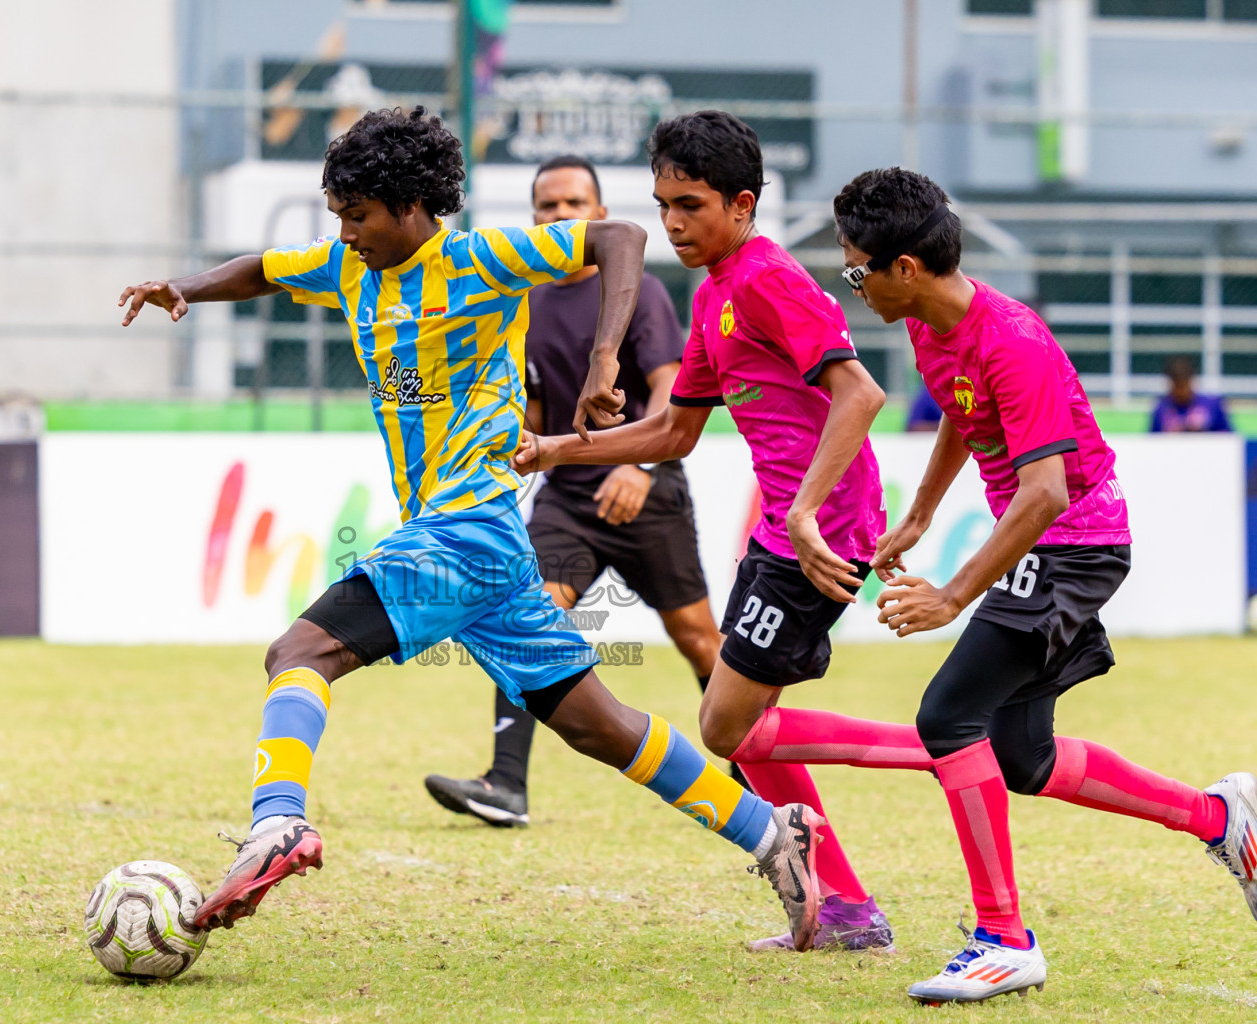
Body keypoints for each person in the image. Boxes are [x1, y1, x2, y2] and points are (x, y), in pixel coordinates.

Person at [118, 106, 828, 949]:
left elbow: (623, 241)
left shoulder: (479, 259)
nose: (344, 233)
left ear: (412, 207)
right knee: (594, 722)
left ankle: (277, 823)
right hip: (484, 550)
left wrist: (606, 359)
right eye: (338, 216)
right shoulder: (347, 266)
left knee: (299, 653)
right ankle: (769, 832)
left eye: (358, 216)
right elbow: (263, 270)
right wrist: (185, 290)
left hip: (467, 529)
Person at [819, 166, 1257, 1003]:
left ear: (903, 268)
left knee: (948, 716)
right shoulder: (929, 324)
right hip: (1049, 541)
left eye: (855, 270)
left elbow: (1046, 492)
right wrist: (918, 516)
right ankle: (1221, 819)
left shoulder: (1011, 338)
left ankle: (1003, 938)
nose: (853, 285)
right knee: (1023, 757)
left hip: (1074, 544)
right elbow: (959, 407)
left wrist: (950, 595)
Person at [514, 111, 899, 952]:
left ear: (742, 203)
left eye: (690, 204)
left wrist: (799, 512)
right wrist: (551, 450)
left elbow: (861, 395)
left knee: (727, 727)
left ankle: (941, 751)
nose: (673, 223)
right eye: (662, 205)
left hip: (822, 531)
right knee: (742, 724)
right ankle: (847, 908)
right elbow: (673, 433)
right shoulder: (716, 292)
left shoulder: (765, 277)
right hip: (784, 535)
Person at [423, 153, 734, 829]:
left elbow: (668, 388)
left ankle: (751, 777)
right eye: (547, 206)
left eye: (573, 204)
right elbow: (532, 416)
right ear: (534, 217)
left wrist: (642, 468)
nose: (560, 216)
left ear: (598, 214)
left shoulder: (639, 291)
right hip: (566, 496)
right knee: (525, 621)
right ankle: (506, 786)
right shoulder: (525, 301)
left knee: (698, 639)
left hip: (645, 487)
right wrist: (481, 441)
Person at [1150, 355, 1232, 433]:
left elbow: (1229, 436)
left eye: (1184, 385)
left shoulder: (1212, 404)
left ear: (1191, 380)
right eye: (1177, 386)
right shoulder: (1162, 408)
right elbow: (1151, 440)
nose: (1181, 391)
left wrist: (1204, 431)